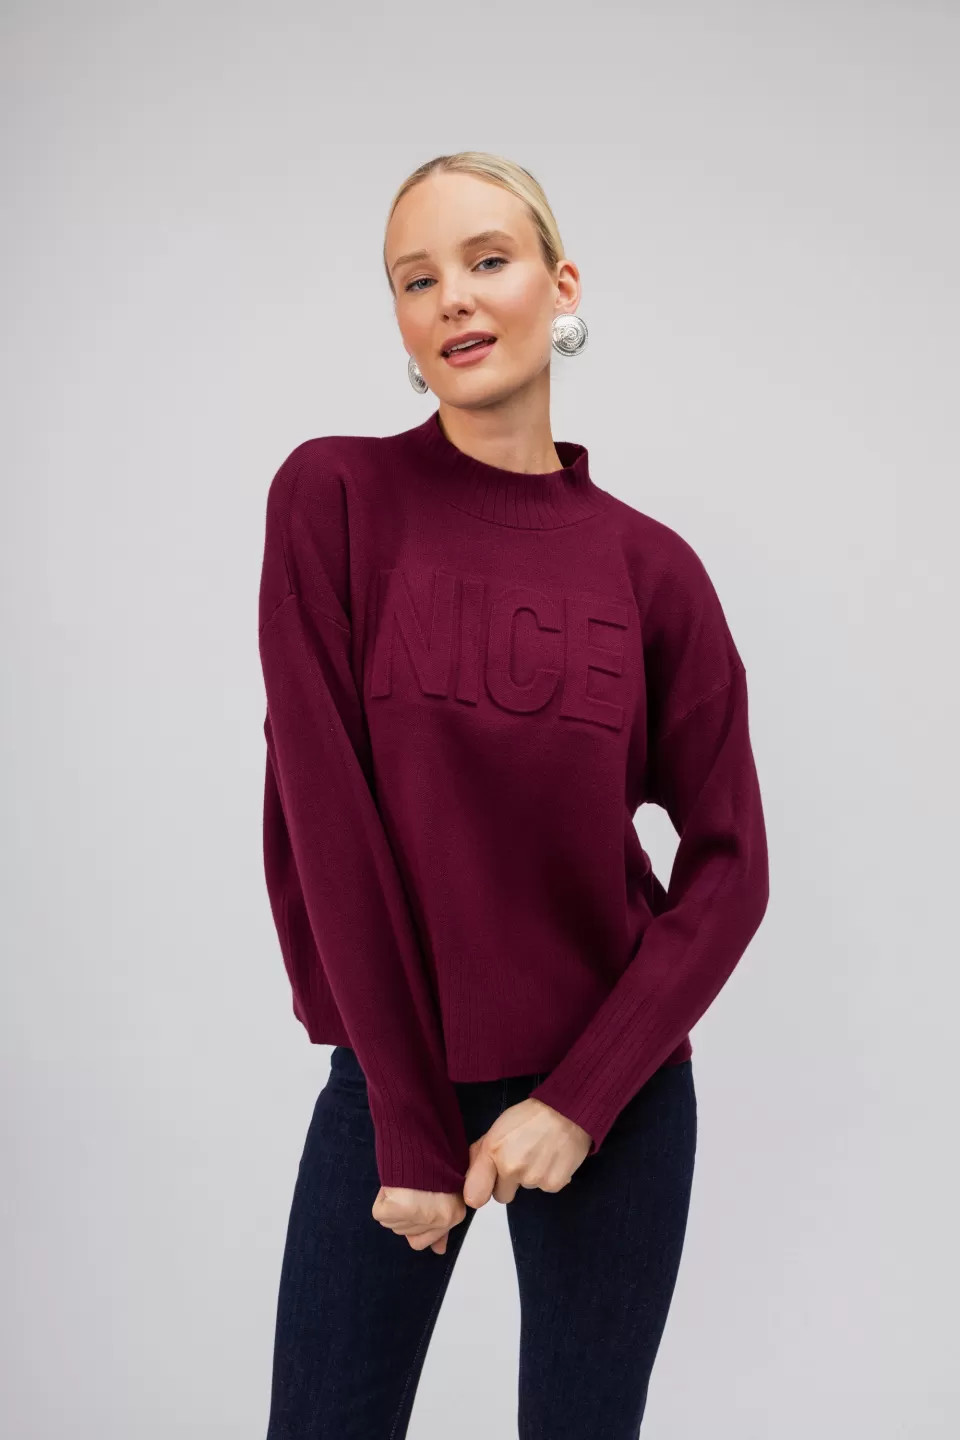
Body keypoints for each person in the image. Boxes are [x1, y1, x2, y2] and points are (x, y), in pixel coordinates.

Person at [257, 150, 770, 1439]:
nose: (453, 298)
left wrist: (582, 1099)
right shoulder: (335, 497)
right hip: (394, 1080)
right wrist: (410, 1126)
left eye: (488, 260)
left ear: (562, 284)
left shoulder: (653, 571)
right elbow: (326, 820)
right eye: (414, 278)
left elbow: (731, 867)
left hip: (614, 1093)